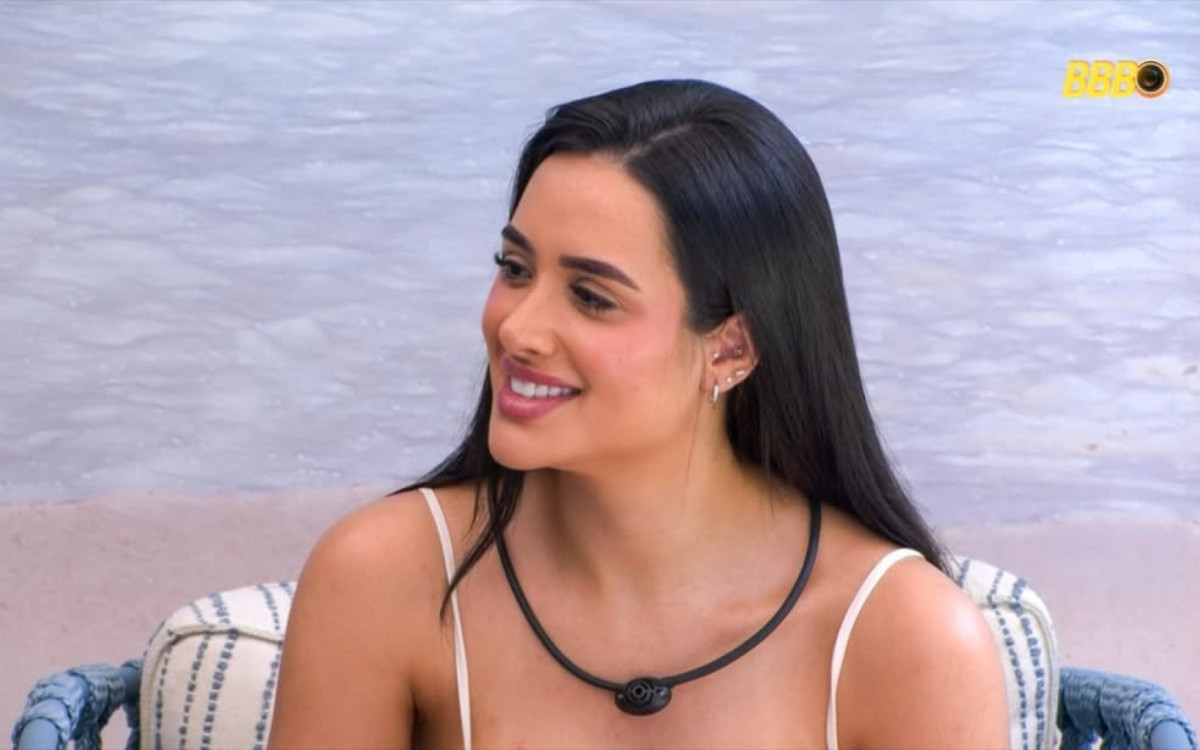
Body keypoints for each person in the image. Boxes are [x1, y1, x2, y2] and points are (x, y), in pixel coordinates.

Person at [268, 79, 1009, 749]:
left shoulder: (907, 638)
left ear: (731, 348)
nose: (518, 329)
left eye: (592, 297)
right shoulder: (385, 578)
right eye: (515, 269)